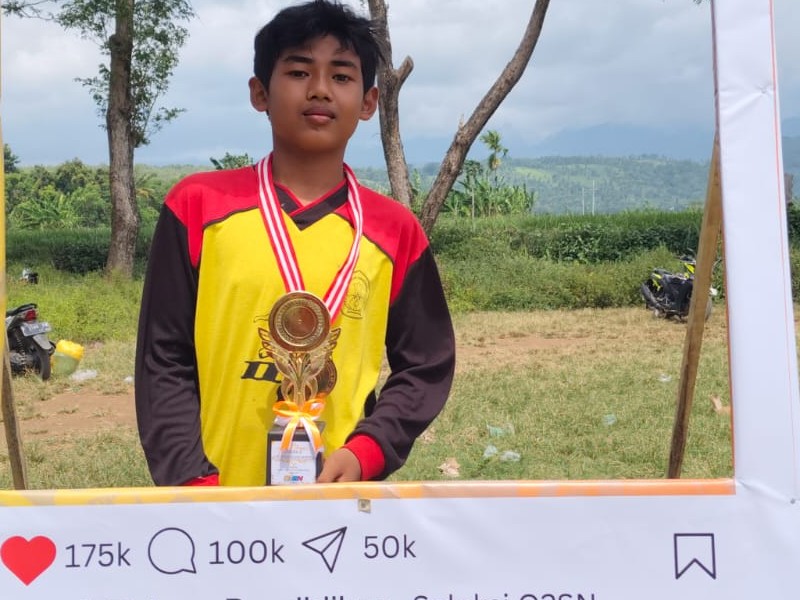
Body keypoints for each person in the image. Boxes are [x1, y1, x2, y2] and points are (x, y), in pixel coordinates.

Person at [135, 0, 455, 487]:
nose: (320, 89)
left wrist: (368, 450)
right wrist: (191, 482)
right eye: (299, 72)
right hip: (215, 502)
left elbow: (426, 364)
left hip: (340, 502)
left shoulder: (395, 231)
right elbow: (163, 359)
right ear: (260, 92)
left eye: (341, 76)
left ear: (368, 103)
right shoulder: (197, 207)